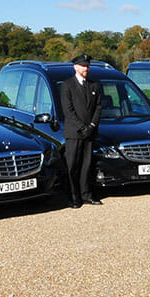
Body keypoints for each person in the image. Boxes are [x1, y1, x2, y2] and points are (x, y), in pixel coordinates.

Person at [60, 54, 102, 207]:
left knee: (87, 165)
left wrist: (91, 126)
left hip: (89, 133)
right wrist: (81, 127)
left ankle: (86, 194)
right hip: (74, 133)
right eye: (83, 66)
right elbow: (68, 110)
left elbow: (98, 107)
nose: (86, 68)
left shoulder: (94, 86)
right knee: (73, 166)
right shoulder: (67, 85)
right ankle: (73, 196)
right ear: (75, 67)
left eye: (88, 66)